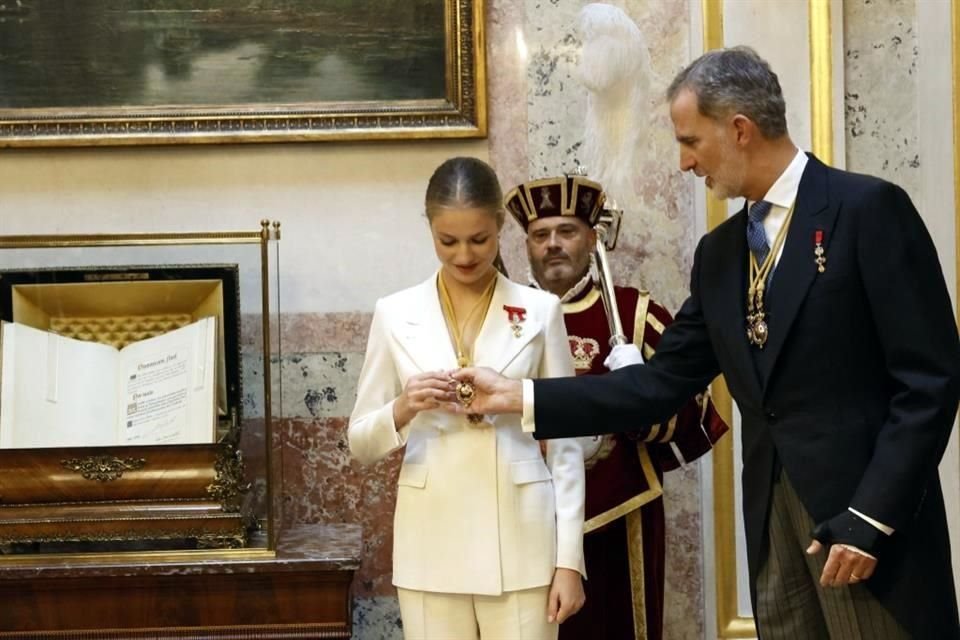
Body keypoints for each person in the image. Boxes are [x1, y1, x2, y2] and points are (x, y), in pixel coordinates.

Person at [453, 48, 960, 639]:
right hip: (775, 527)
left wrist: (873, 516)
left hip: (865, 525)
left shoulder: (867, 210)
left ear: (739, 129)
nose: (685, 162)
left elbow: (929, 382)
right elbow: (658, 384)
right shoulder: (719, 255)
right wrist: (520, 396)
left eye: (690, 141)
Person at [348, 156, 587, 640]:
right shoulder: (395, 314)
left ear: (500, 226)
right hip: (430, 543)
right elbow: (360, 442)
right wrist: (405, 406)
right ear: (430, 229)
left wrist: (569, 562)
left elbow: (568, 446)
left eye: (479, 240)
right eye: (447, 241)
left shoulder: (540, 311)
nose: (463, 255)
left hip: (524, 543)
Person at [506, 173, 728, 640]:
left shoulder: (634, 314)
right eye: (540, 235)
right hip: (522, 516)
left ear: (592, 237)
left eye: (566, 231)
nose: (553, 245)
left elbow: (693, 414)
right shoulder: (503, 317)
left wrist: (640, 396)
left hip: (620, 513)